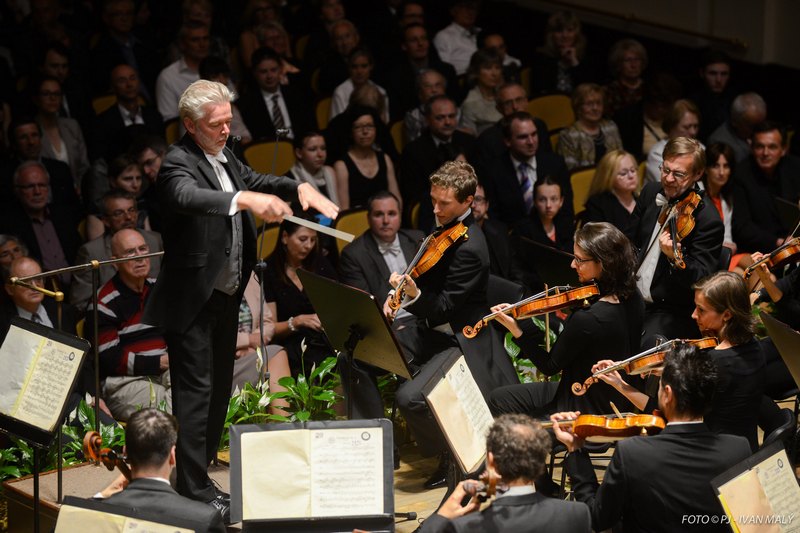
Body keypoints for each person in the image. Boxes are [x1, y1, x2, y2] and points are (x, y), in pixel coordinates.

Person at [140, 80, 338, 521]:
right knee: (195, 394)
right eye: (217, 124)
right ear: (191, 125)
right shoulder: (178, 163)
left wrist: (295, 187)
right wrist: (244, 199)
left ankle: (198, 473)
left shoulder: (224, 153)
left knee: (216, 393)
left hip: (226, 294)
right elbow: (187, 197)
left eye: (229, 120)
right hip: (192, 299)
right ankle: (192, 485)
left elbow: (253, 178)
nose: (227, 130)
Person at [389, 161, 518, 487]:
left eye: (444, 204)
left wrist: (414, 296)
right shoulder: (441, 229)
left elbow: (444, 307)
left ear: (467, 202)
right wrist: (401, 291)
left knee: (410, 398)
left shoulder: (470, 247)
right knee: (364, 350)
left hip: (457, 338)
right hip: (428, 329)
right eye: (433, 200)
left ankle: (455, 456)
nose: (436, 209)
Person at [552, 343, 752, 533]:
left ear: (668, 393)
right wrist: (622, 385)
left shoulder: (632, 453)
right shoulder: (738, 449)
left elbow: (597, 517)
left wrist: (576, 450)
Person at [594, 271, 765, 451]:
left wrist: (621, 385)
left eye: (701, 310)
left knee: (630, 450)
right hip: (746, 449)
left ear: (727, 315)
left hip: (709, 457)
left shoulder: (712, 363)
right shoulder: (754, 347)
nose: (693, 315)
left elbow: (660, 414)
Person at [489, 222, 643, 418]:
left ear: (603, 263)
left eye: (579, 260)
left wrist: (516, 329)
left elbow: (549, 366)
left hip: (579, 405)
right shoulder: (633, 296)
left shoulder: (589, 318)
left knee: (502, 408)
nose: (572, 265)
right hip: (617, 397)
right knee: (500, 397)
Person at [420, 414, 591, 533]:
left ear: (491, 461)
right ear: (541, 464)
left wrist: (441, 518)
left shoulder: (465, 527)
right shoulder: (578, 513)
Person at [628, 136, 723, 345]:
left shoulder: (708, 220)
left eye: (679, 174)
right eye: (666, 170)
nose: (669, 179)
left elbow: (702, 279)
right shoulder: (650, 192)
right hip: (631, 296)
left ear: (698, 174)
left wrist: (675, 258)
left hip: (669, 309)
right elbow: (629, 241)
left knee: (646, 345)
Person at [86, 229, 171, 421]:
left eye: (143, 249)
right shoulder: (103, 301)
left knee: (195, 388)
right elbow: (109, 358)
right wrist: (159, 362)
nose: (140, 258)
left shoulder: (158, 288)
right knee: (171, 408)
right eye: (130, 252)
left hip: (164, 371)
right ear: (115, 261)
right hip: (124, 382)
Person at [100, 409, 225, 533]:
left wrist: (100, 497)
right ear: (172, 456)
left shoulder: (97, 512)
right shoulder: (205, 518)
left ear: (125, 452)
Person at [262, 217, 337, 376]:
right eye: (303, 239)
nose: (309, 245)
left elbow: (338, 303)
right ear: (285, 237)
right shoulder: (268, 271)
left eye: (313, 240)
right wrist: (298, 321)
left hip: (323, 337)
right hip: (290, 342)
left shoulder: (320, 264)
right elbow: (270, 328)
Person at [71, 190, 162, 313]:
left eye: (131, 210)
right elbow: (80, 303)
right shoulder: (91, 252)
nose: (128, 217)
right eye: (119, 213)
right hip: (116, 316)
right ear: (105, 220)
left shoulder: (154, 240)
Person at [476, 111, 570, 227]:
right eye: (523, 137)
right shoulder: (493, 171)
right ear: (508, 141)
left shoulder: (555, 164)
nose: (531, 142)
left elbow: (566, 210)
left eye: (534, 134)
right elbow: (494, 217)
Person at [401, 95, 475, 230]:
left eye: (452, 116)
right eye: (440, 118)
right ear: (428, 119)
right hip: (432, 213)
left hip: (470, 209)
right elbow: (414, 194)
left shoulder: (469, 142)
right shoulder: (414, 150)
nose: (448, 122)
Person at [731, 121, 800, 253]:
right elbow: (742, 226)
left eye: (772, 147)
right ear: (751, 148)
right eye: (759, 147)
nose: (765, 153)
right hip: (758, 251)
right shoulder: (741, 174)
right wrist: (777, 242)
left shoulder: (796, 168)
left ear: (783, 149)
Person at [237, 46, 314, 142]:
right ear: (255, 73)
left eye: (273, 70)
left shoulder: (297, 94)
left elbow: (309, 128)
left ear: (281, 70)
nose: (269, 76)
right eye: (263, 72)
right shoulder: (246, 104)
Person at [333, 106, 401, 210]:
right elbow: (344, 210)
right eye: (358, 127)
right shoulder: (342, 165)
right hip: (356, 222)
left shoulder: (385, 159)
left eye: (369, 126)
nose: (365, 131)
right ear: (351, 132)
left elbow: (396, 199)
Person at [32, 75, 91, 189]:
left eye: (57, 94)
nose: (52, 98)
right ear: (36, 99)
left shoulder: (72, 126)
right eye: (46, 94)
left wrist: (80, 188)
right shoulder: (32, 130)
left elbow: (84, 166)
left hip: (79, 191)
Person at [557, 83, 623, 171]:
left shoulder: (611, 127)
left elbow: (621, 159)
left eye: (598, 103)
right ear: (578, 107)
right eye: (589, 104)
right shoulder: (568, 135)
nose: (595, 108)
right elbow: (570, 171)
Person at [531, 10, 599, 96]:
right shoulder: (541, 58)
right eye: (559, 31)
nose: (565, 35)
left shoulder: (584, 58)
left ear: (576, 34)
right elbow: (541, 90)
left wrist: (574, 62)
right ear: (552, 34)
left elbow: (588, 92)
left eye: (570, 30)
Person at [155, 21, 210, 122]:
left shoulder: (217, 69)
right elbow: (169, 122)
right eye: (195, 40)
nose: (202, 44)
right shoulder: (168, 77)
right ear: (183, 44)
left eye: (205, 39)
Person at [645, 99, 702, 183]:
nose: (693, 132)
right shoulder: (657, 154)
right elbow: (670, 185)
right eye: (687, 127)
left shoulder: (701, 148)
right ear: (672, 126)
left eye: (695, 126)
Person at [583, 149, 639, 234]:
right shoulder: (597, 205)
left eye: (633, 170)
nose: (631, 176)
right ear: (608, 177)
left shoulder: (642, 199)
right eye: (623, 173)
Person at [330, 47, 389, 124]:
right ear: (349, 68)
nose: (359, 71)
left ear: (371, 66)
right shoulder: (340, 92)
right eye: (354, 67)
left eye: (364, 66)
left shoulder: (381, 92)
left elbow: (385, 122)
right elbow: (338, 124)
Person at [701, 143, 739, 259]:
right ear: (706, 169)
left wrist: (731, 245)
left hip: (721, 255)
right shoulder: (697, 194)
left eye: (726, 166)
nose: (721, 172)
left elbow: (727, 237)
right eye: (716, 166)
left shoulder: (725, 200)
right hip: (704, 255)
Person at [708, 92, 767, 163]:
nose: (758, 130)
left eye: (761, 125)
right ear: (735, 122)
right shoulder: (719, 142)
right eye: (752, 126)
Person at [286, 131, 340, 206]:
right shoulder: (289, 181)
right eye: (312, 149)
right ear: (299, 153)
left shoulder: (330, 172)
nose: (320, 154)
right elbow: (282, 216)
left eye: (323, 148)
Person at [459, 49, 503, 135]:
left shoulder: (505, 95)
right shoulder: (470, 102)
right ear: (476, 72)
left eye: (497, 67)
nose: (494, 73)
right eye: (488, 68)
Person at [433, 0, 480, 77]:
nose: (470, 12)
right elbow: (444, 70)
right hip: (462, 80)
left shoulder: (481, 33)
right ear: (453, 11)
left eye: (473, 8)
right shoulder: (444, 36)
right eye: (465, 7)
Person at [603, 38, 648, 118]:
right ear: (618, 64)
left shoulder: (650, 90)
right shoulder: (608, 92)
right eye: (628, 60)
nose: (633, 65)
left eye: (637, 59)